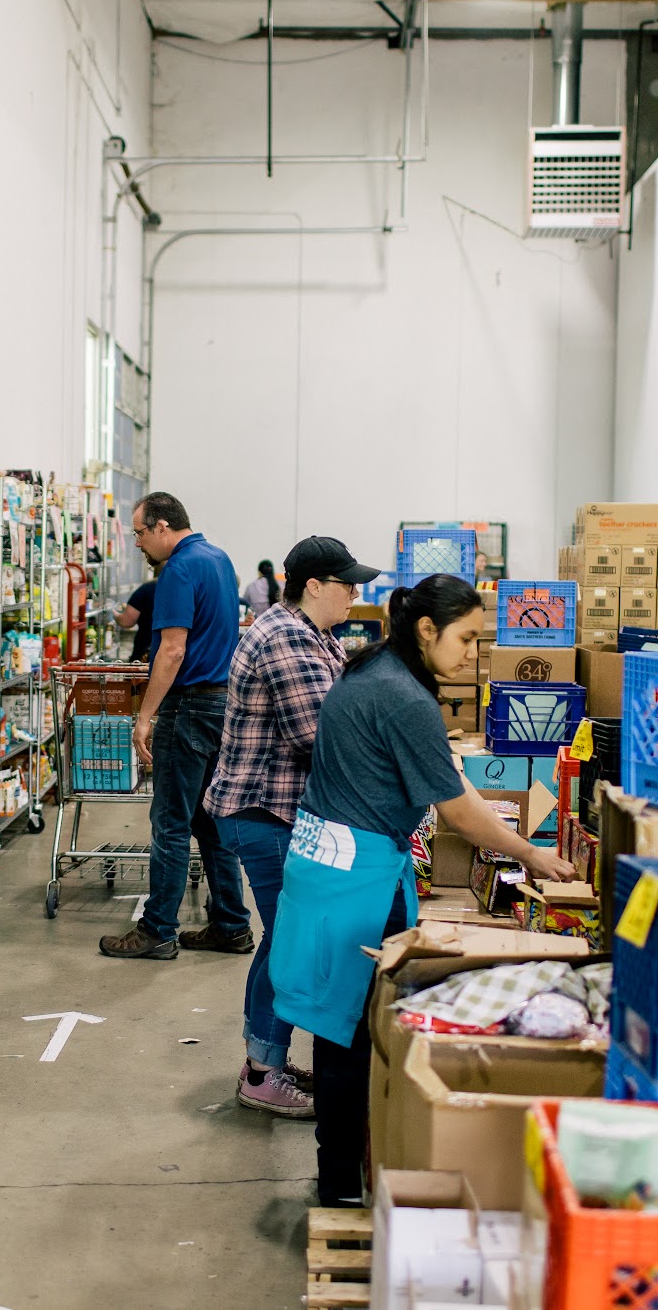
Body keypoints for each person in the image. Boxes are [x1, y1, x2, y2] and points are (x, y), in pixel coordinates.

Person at [268, 574, 577, 1206]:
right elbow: (458, 809)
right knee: (352, 1035)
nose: (473, 654)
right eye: (466, 638)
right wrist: (530, 854)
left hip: (329, 866)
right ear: (427, 629)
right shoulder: (402, 697)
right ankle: (341, 1187)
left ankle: (342, 1173)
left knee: (342, 1028)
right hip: (354, 882)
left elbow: (435, 782)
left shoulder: (372, 669)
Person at [204, 536, 379, 1118]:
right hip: (264, 812)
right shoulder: (284, 637)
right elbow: (318, 734)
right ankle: (261, 1073)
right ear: (314, 586)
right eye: (347, 585)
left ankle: (265, 1059)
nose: (355, 594)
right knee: (291, 943)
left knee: (286, 939)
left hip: (284, 812)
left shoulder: (317, 635)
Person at [99, 493, 250, 960]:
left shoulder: (178, 569)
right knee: (210, 821)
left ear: (163, 526)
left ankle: (158, 930)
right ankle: (231, 925)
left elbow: (172, 650)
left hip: (188, 707)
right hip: (220, 704)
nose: (138, 543)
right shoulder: (219, 560)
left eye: (140, 533)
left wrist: (145, 717)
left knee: (169, 822)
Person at [116, 574, 156, 666]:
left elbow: (126, 621)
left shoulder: (147, 588)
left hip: (145, 649)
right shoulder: (184, 588)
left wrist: (115, 614)